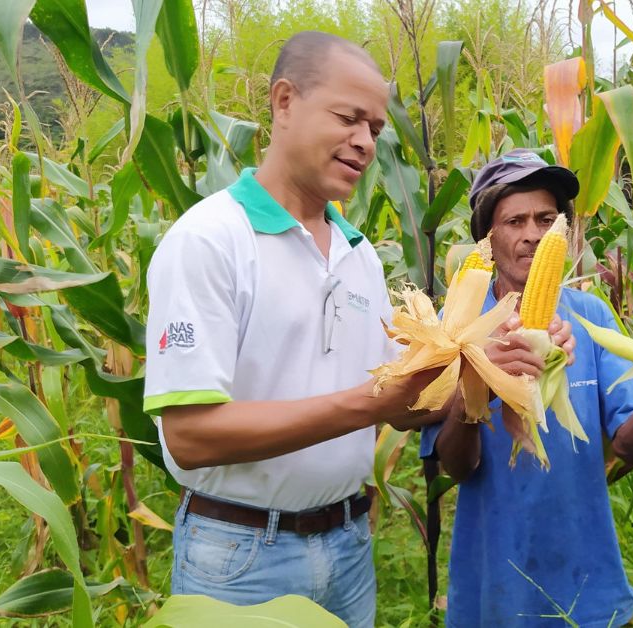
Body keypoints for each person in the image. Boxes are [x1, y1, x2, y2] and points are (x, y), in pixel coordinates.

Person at [143, 31, 441, 626]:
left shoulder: (359, 256)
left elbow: (400, 408)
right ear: (283, 103)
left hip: (350, 544)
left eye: (376, 129)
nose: (364, 142)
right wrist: (367, 402)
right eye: (348, 118)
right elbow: (190, 436)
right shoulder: (210, 241)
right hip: (242, 556)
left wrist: (481, 367)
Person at [421, 149, 633, 627]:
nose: (533, 235)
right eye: (515, 221)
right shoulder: (454, 323)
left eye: (546, 220)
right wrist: (481, 386)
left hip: (588, 585)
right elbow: (457, 466)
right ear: (488, 236)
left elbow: (626, 443)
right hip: (493, 586)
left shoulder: (593, 317)